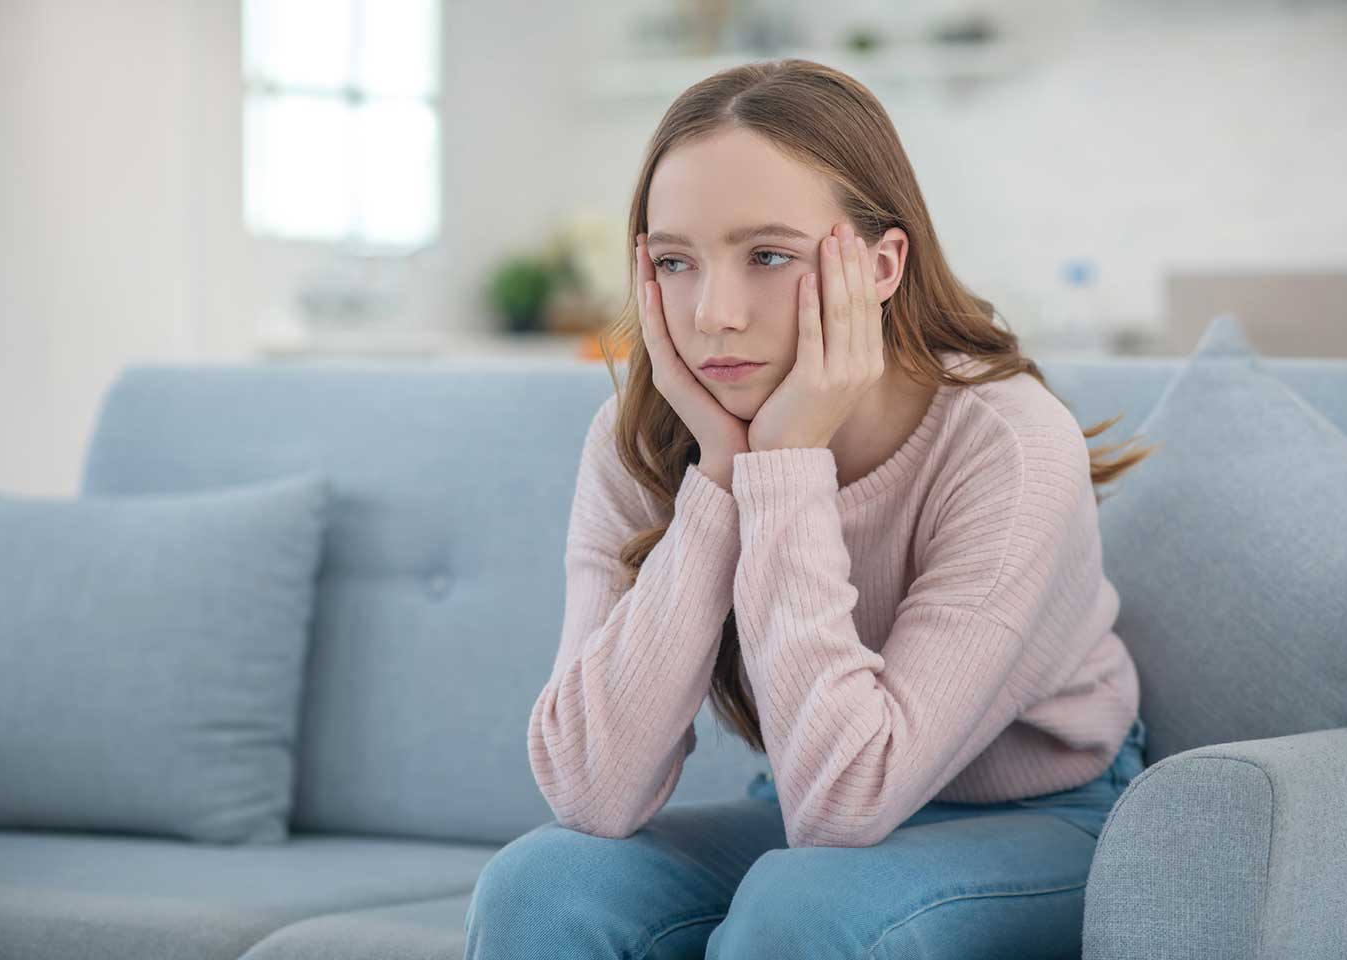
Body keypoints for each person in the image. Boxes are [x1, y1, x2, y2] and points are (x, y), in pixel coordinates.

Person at [465, 57, 1158, 960]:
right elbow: (594, 794)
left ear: (879, 265)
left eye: (768, 256)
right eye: (676, 261)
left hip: (1045, 815)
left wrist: (787, 466)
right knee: (541, 888)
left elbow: (848, 801)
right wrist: (718, 477)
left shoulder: (1008, 442)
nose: (714, 313)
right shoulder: (640, 440)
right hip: (801, 804)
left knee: (805, 910)